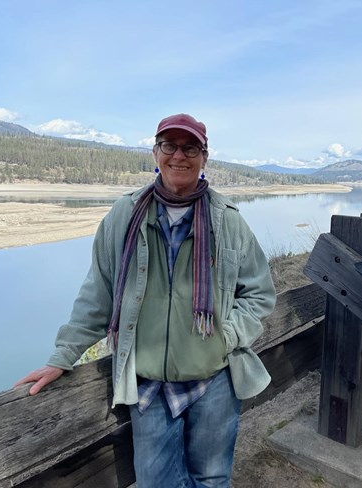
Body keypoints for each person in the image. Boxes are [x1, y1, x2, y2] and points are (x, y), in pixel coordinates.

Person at [15, 113, 276, 488]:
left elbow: (259, 293)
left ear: (205, 157)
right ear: (155, 153)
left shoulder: (228, 221)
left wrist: (226, 336)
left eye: (190, 148)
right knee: (155, 482)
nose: (179, 156)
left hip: (215, 377)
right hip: (147, 382)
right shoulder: (125, 214)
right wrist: (63, 355)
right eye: (169, 146)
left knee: (213, 478)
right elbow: (98, 293)